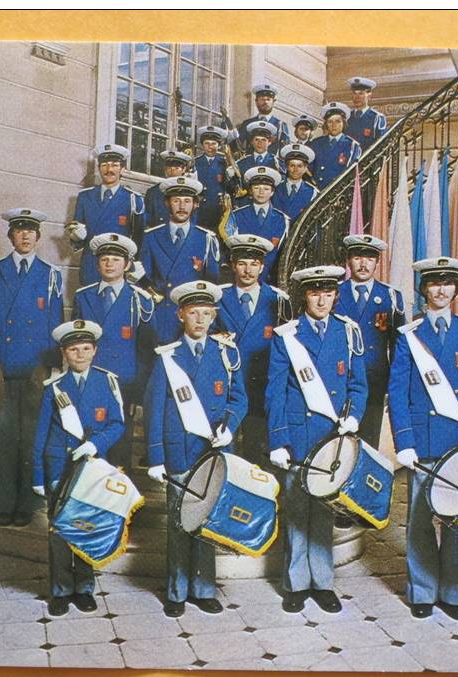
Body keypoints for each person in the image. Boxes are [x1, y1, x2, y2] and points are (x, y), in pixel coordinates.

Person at [388, 257, 458, 621]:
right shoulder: (410, 336)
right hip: (422, 440)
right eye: (433, 283)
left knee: (454, 519)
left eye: (448, 283)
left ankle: (452, 592)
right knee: (419, 517)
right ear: (424, 289)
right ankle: (422, 590)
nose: (441, 290)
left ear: (456, 289)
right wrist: (404, 441)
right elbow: (398, 392)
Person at [266, 266, 367, 614]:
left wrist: (353, 416)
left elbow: (358, 384)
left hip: (331, 437)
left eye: (327, 293)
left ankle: (323, 582)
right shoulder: (287, 337)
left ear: (335, 295)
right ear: (303, 296)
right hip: (297, 435)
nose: (321, 299)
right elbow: (275, 393)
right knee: (296, 511)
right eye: (314, 293)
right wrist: (277, 440)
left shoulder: (348, 332)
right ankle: (295, 583)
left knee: (323, 511)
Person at [144, 281, 248, 618]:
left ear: (214, 315)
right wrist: (157, 455)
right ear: (180, 314)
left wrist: (229, 425)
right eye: (193, 313)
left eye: (206, 313)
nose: (200, 320)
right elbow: (155, 408)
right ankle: (176, 590)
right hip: (179, 451)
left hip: (212, 452)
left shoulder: (226, 353)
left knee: (206, 521)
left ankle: (203, 589)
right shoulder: (168, 357)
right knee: (178, 522)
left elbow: (239, 397)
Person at [31, 320, 126, 617]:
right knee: (60, 530)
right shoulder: (54, 387)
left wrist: (96, 444)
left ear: (95, 350)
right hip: (59, 464)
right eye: (74, 349)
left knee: (86, 526)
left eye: (86, 348)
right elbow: (41, 433)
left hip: (92, 466)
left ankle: (84, 587)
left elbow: (118, 424)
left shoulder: (107, 381)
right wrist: (37, 475)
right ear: (64, 353)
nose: (80, 354)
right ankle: (60, 589)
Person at [0, 208, 64, 527]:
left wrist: (52, 367)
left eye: (31, 230)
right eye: (19, 230)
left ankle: (27, 503)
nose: (26, 235)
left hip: (37, 366)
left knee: (31, 436)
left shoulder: (51, 274)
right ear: (10, 236)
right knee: (6, 435)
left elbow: (56, 324)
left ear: (38, 236)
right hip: (3, 361)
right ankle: (5, 502)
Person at [71, 232, 155, 473]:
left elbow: (146, 351)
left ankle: (118, 500)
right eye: (104, 259)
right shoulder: (83, 296)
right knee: (87, 437)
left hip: (124, 383)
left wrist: (139, 392)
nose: (109, 264)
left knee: (120, 443)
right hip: (90, 378)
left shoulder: (141, 299)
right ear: (97, 263)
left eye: (116, 260)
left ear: (127, 265)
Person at [215, 234, 292, 465]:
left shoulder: (278, 300)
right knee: (223, 451)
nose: (247, 270)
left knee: (254, 451)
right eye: (241, 263)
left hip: (261, 387)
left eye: (253, 264)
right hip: (228, 389)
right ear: (232, 266)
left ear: (262, 267)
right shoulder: (218, 297)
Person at [335, 234, 405, 448]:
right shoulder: (334, 293)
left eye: (369, 258)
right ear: (348, 260)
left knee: (368, 443)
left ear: (377, 262)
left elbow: (398, 347)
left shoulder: (391, 296)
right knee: (337, 443)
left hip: (375, 381)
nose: (363, 264)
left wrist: (393, 384)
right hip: (339, 379)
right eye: (357, 257)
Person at [139, 176, 221, 344]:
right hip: (160, 316)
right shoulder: (151, 237)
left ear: (195, 204)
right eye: (176, 201)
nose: (182, 207)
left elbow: (212, 284)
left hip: (191, 321)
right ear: (167, 203)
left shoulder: (206, 239)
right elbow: (143, 282)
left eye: (187, 201)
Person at [66, 143, 145, 287]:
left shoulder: (133, 199)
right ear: (98, 168)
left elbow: (139, 239)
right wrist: (76, 236)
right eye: (104, 165)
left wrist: (134, 267)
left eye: (114, 165)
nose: (109, 170)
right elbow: (77, 239)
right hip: (91, 266)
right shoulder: (85, 197)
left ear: (122, 169)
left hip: (119, 268)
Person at [231, 165, 290, 284]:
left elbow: (282, 253)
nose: (261, 192)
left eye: (266, 189)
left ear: (272, 192)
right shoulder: (236, 215)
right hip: (243, 276)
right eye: (257, 188)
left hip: (270, 278)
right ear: (251, 191)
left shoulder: (282, 219)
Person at [309, 102, 362, 190]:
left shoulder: (352, 146)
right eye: (330, 121)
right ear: (326, 124)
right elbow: (309, 170)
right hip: (316, 193)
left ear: (344, 123)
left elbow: (351, 175)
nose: (334, 125)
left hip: (338, 194)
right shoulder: (316, 143)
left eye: (338, 121)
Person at [227, 121, 281, 197]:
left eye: (263, 140)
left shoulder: (277, 164)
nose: (260, 143)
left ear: (269, 142)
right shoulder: (241, 163)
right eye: (256, 139)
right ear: (251, 142)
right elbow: (234, 188)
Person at [192, 126, 230, 231]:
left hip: (218, 210)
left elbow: (230, 187)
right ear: (202, 145)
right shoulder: (195, 163)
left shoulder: (225, 164)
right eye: (207, 143)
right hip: (199, 211)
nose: (210, 147)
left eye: (214, 144)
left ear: (219, 146)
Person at [144, 149, 193, 229]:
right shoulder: (153, 192)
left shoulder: (190, 192)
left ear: (184, 169)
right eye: (169, 167)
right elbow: (147, 220)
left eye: (176, 167)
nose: (172, 170)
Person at [237, 83, 290, 156]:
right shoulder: (247, 124)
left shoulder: (281, 125)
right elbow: (238, 146)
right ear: (256, 101)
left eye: (268, 99)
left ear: (273, 102)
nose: (265, 102)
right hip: (250, 164)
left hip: (272, 165)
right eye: (262, 99)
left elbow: (285, 152)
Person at [273, 143, 319, 222]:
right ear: (287, 167)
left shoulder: (312, 192)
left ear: (305, 169)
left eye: (300, 166)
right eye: (292, 165)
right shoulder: (275, 188)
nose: (295, 170)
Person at [345, 76, 388, 152]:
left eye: (361, 93)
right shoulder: (346, 117)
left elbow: (381, 145)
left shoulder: (376, 118)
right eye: (354, 93)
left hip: (367, 162)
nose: (357, 97)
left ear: (369, 96)